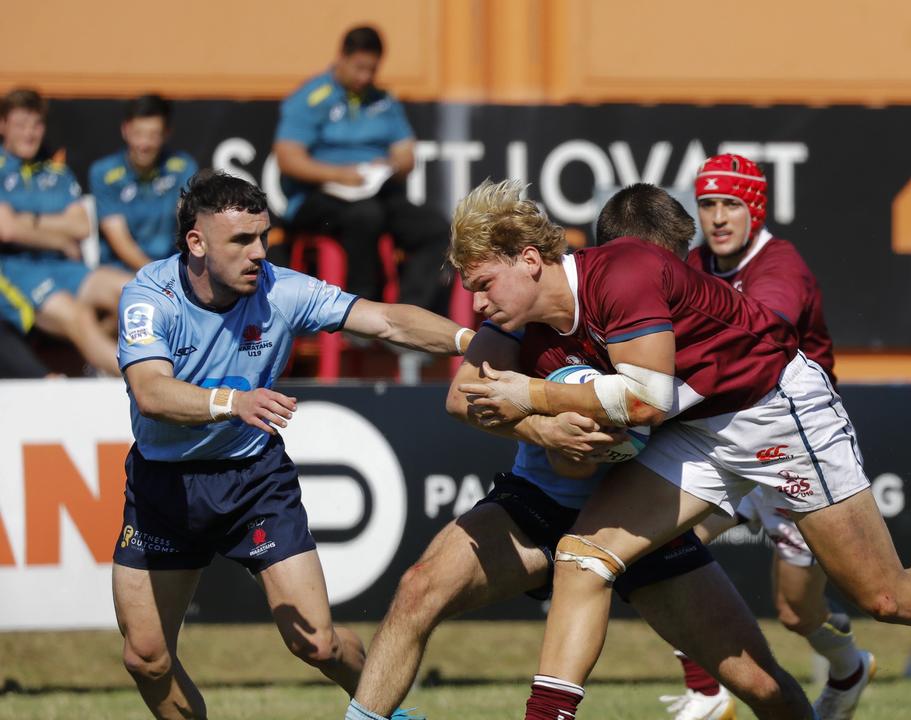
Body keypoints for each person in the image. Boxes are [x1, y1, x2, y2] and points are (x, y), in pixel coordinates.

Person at [451, 179, 911, 720]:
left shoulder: (623, 270)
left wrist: (532, 396)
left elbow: (643, 401)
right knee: (584, 558)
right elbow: (462, 383)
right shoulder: (536, 330)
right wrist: (540, 414)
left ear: (530, 260)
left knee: (885, 596)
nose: (477, 305)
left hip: (774, 407)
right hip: (698, 425)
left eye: (482, 285)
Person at [341, 184, 812, 720]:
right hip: (543, 501)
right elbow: (461, 397)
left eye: (678, 266)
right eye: (664, 265)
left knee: (761, 683)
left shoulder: (689, 317)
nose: (670, 277)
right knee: (419, 589)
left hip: (637, 517)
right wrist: (543, 430)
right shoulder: (532, 309)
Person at [112, 170, 473, 720]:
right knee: (146, 658)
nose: (258, 253)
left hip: (252, 477)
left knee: (316, 643)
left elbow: (387, 321)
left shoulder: (283, 290)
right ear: (196, 243)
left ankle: (386, 713)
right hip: (164, 485)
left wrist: (471, 341)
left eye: (262, 237)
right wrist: (232, 403)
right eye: (240, 241)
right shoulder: (148, 297)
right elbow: (151, 391)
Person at [650, 156, 870, 720]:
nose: (718, 217)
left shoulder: (780, 265)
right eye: (707, 204)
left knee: (796, 613)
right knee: (661, 547)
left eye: (731, 204)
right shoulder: (693, 261)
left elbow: (756, 329)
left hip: (787, 445)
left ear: (755, 209)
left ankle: (849, 666)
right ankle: (707, 691)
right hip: (722, 443)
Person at [274, 25, 449, 309]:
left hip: (376, 192)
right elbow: (288, 156)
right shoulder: (310, 98)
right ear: (342, 57)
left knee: (434, 228)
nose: (365, 77)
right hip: (319, 198)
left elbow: (406, 154)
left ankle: (410, 314)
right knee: (365, 216)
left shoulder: (383, 102)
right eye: (359, 68)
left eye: (372, 69)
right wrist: (339, 175)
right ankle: (363, 309)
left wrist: (389, 165)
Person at [0, 87, 130, 375]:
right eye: (21, 125)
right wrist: (58, 234)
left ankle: (176, 366)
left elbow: (81, 225)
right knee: (80, 317)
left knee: (131, 292)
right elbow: (6, 230)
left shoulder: (56, 172)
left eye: (36, 125)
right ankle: (143, 382)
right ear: (3, 125)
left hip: (64, 268)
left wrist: (26, 222)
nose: (29, 134)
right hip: (15, 274)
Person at [90, 94, 197, 271]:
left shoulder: (183, 167)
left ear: (167, 134)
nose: (144, 144)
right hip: (121, 271)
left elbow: (189, 222)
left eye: (153, 135)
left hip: (173, 268)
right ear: (124, 130)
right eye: (137, 133)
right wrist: (156, 276)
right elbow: (119, 240)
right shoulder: (104, 173)